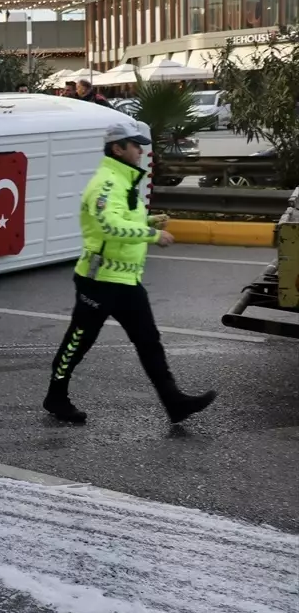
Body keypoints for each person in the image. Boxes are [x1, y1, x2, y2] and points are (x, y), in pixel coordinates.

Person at [43, 118, 217, 425]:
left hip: (125, 281)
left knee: (149, 340)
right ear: (117, 148)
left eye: (140, 145)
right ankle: (56, 396)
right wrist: (152, 236)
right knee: (78, 341)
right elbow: (107, 225)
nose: (140, 151)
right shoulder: (107, 182)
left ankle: (174, 402)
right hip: (98, 281)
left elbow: (120, 220)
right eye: (135, 145)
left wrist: (148, 223)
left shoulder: (125, 181)